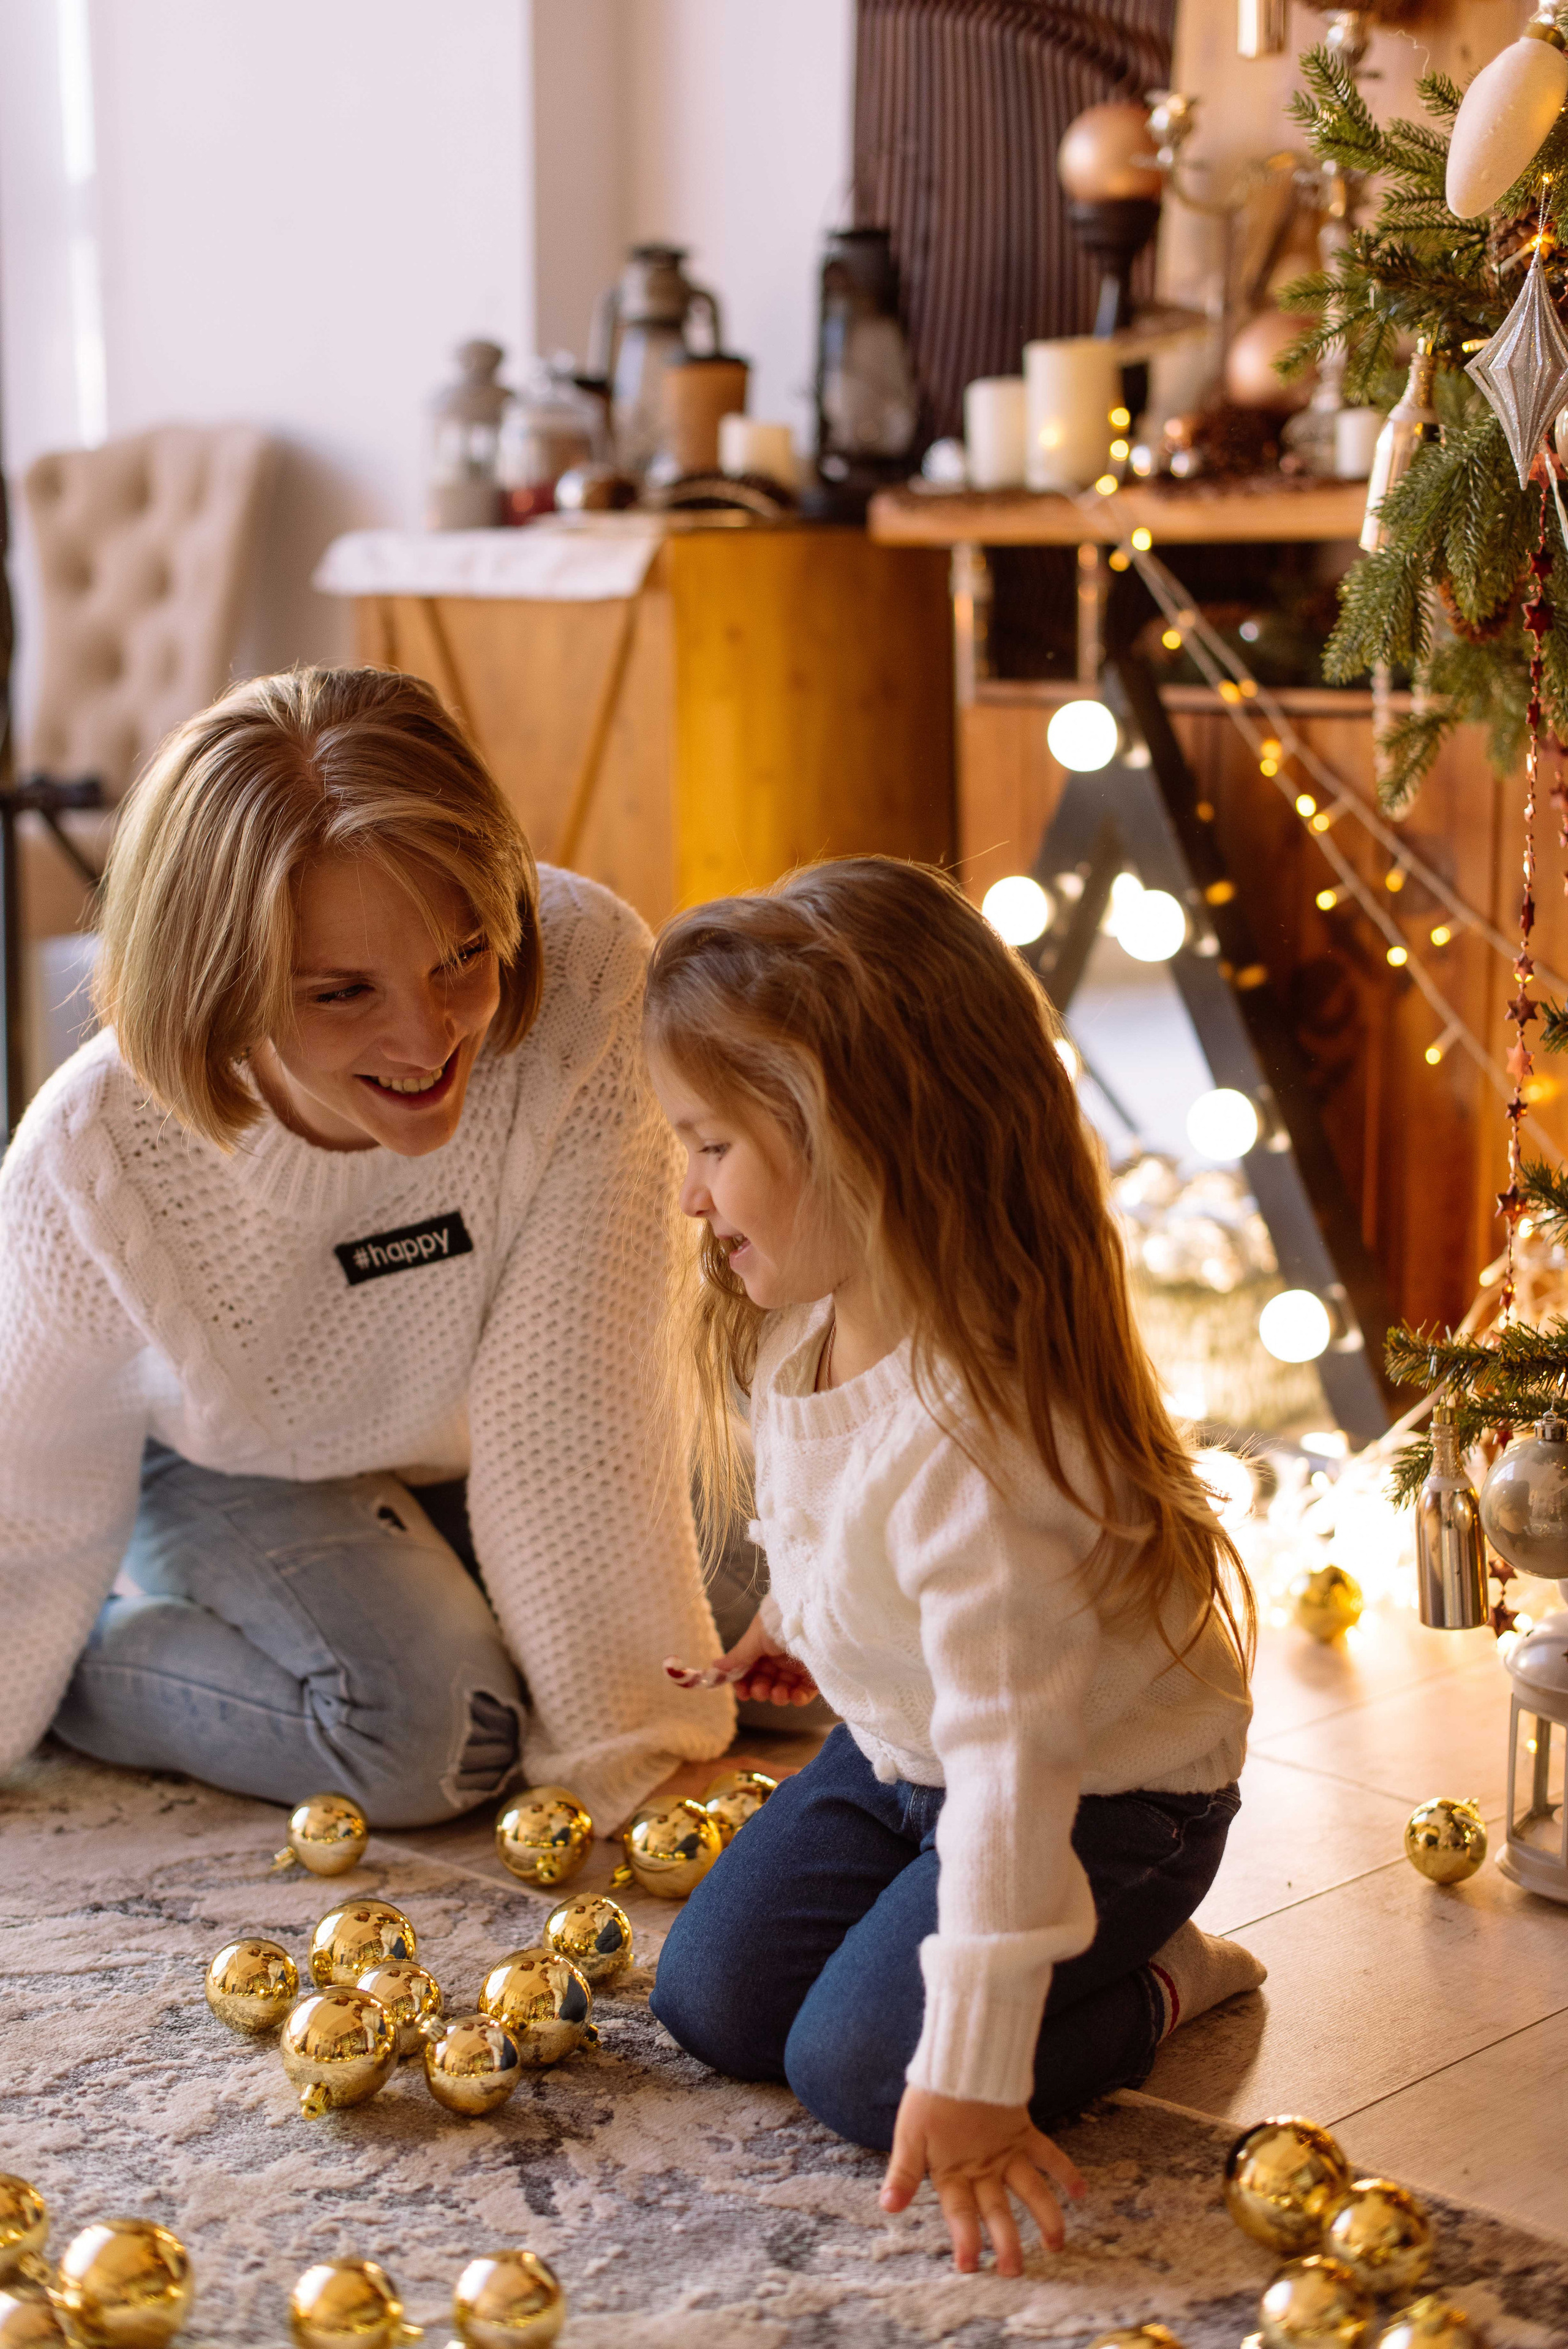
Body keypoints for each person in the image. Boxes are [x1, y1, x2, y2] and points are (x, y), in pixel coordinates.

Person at [644, 858, 1265, 2274]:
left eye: (714, 1147)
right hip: (900, 1758)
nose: (687, 1197)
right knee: (713, 2002)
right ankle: (987, 1969)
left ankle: (1165, 1979)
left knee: (866, 2075)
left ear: (860, 1143)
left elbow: (1013, 1771)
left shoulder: (986, 1444)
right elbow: (848, 1541)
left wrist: (978, 2072)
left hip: (1103, 1800)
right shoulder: (811, 1321)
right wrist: (797, 1636)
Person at [0, 665, 736, 1830]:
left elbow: (577, 1400)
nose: (428, 1035)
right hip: (236, 1462)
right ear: (215, 980)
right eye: (343, 992)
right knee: (439, 1738)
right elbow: (32, 1475)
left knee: (775, 1615)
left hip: (476, 1434)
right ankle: (103, 1663)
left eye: (463, 955)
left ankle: (449, 1593)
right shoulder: (91, 1155)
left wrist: (626, 1735)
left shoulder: (591, 978)